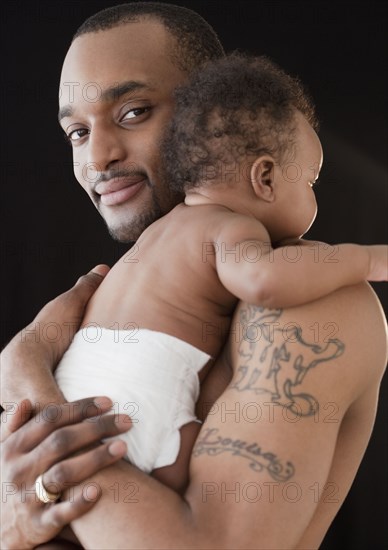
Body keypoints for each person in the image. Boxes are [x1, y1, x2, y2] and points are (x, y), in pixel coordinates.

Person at [1, 3, 387, 549]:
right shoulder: (106, 299)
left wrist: (29, 381)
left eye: (134, 111)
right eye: (77, 133)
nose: (100, 157)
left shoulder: (308, 310)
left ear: (212, 110)